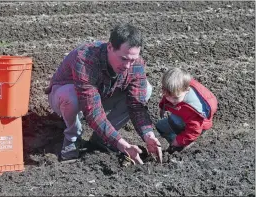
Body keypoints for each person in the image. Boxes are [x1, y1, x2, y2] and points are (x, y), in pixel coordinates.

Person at [45, 23, 162, 164]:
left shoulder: (136, 64)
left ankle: (101, 139)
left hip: (102, 95)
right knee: (71, 96)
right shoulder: (86, 58)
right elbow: (92, 111)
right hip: (65, 96)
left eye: (132, 60)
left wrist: (148, 135)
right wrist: (121, 143)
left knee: (146, 89)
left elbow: (136, 106)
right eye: (123, 58)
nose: (127, 66)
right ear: (110, 47)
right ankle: (72, 138)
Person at [156, 67, 218, 154]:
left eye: (175, 98)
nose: (171, 100)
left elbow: (194, 130)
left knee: (176, 123)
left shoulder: (191, 109)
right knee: (160, 126)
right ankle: (177, 141)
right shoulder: (174, 90)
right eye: (167, 96)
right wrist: (163, 107)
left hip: (200, 123)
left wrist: (178, 141)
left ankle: (180, 145)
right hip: (187, 115)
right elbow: (167, 98)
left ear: (187, 90)